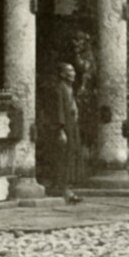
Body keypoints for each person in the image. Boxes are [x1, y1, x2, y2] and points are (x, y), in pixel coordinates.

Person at [52, 60, 82, 204]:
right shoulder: (60, 89)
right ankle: (63, 189)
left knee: (71, 155)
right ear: (63, 74)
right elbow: (59, 111)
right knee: (64, 157)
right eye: (70, 71)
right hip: (65, 128)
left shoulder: (69, 88)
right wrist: (61, 129)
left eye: (73, 71)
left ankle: (68, 187)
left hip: (72, 126)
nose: (73, 74)